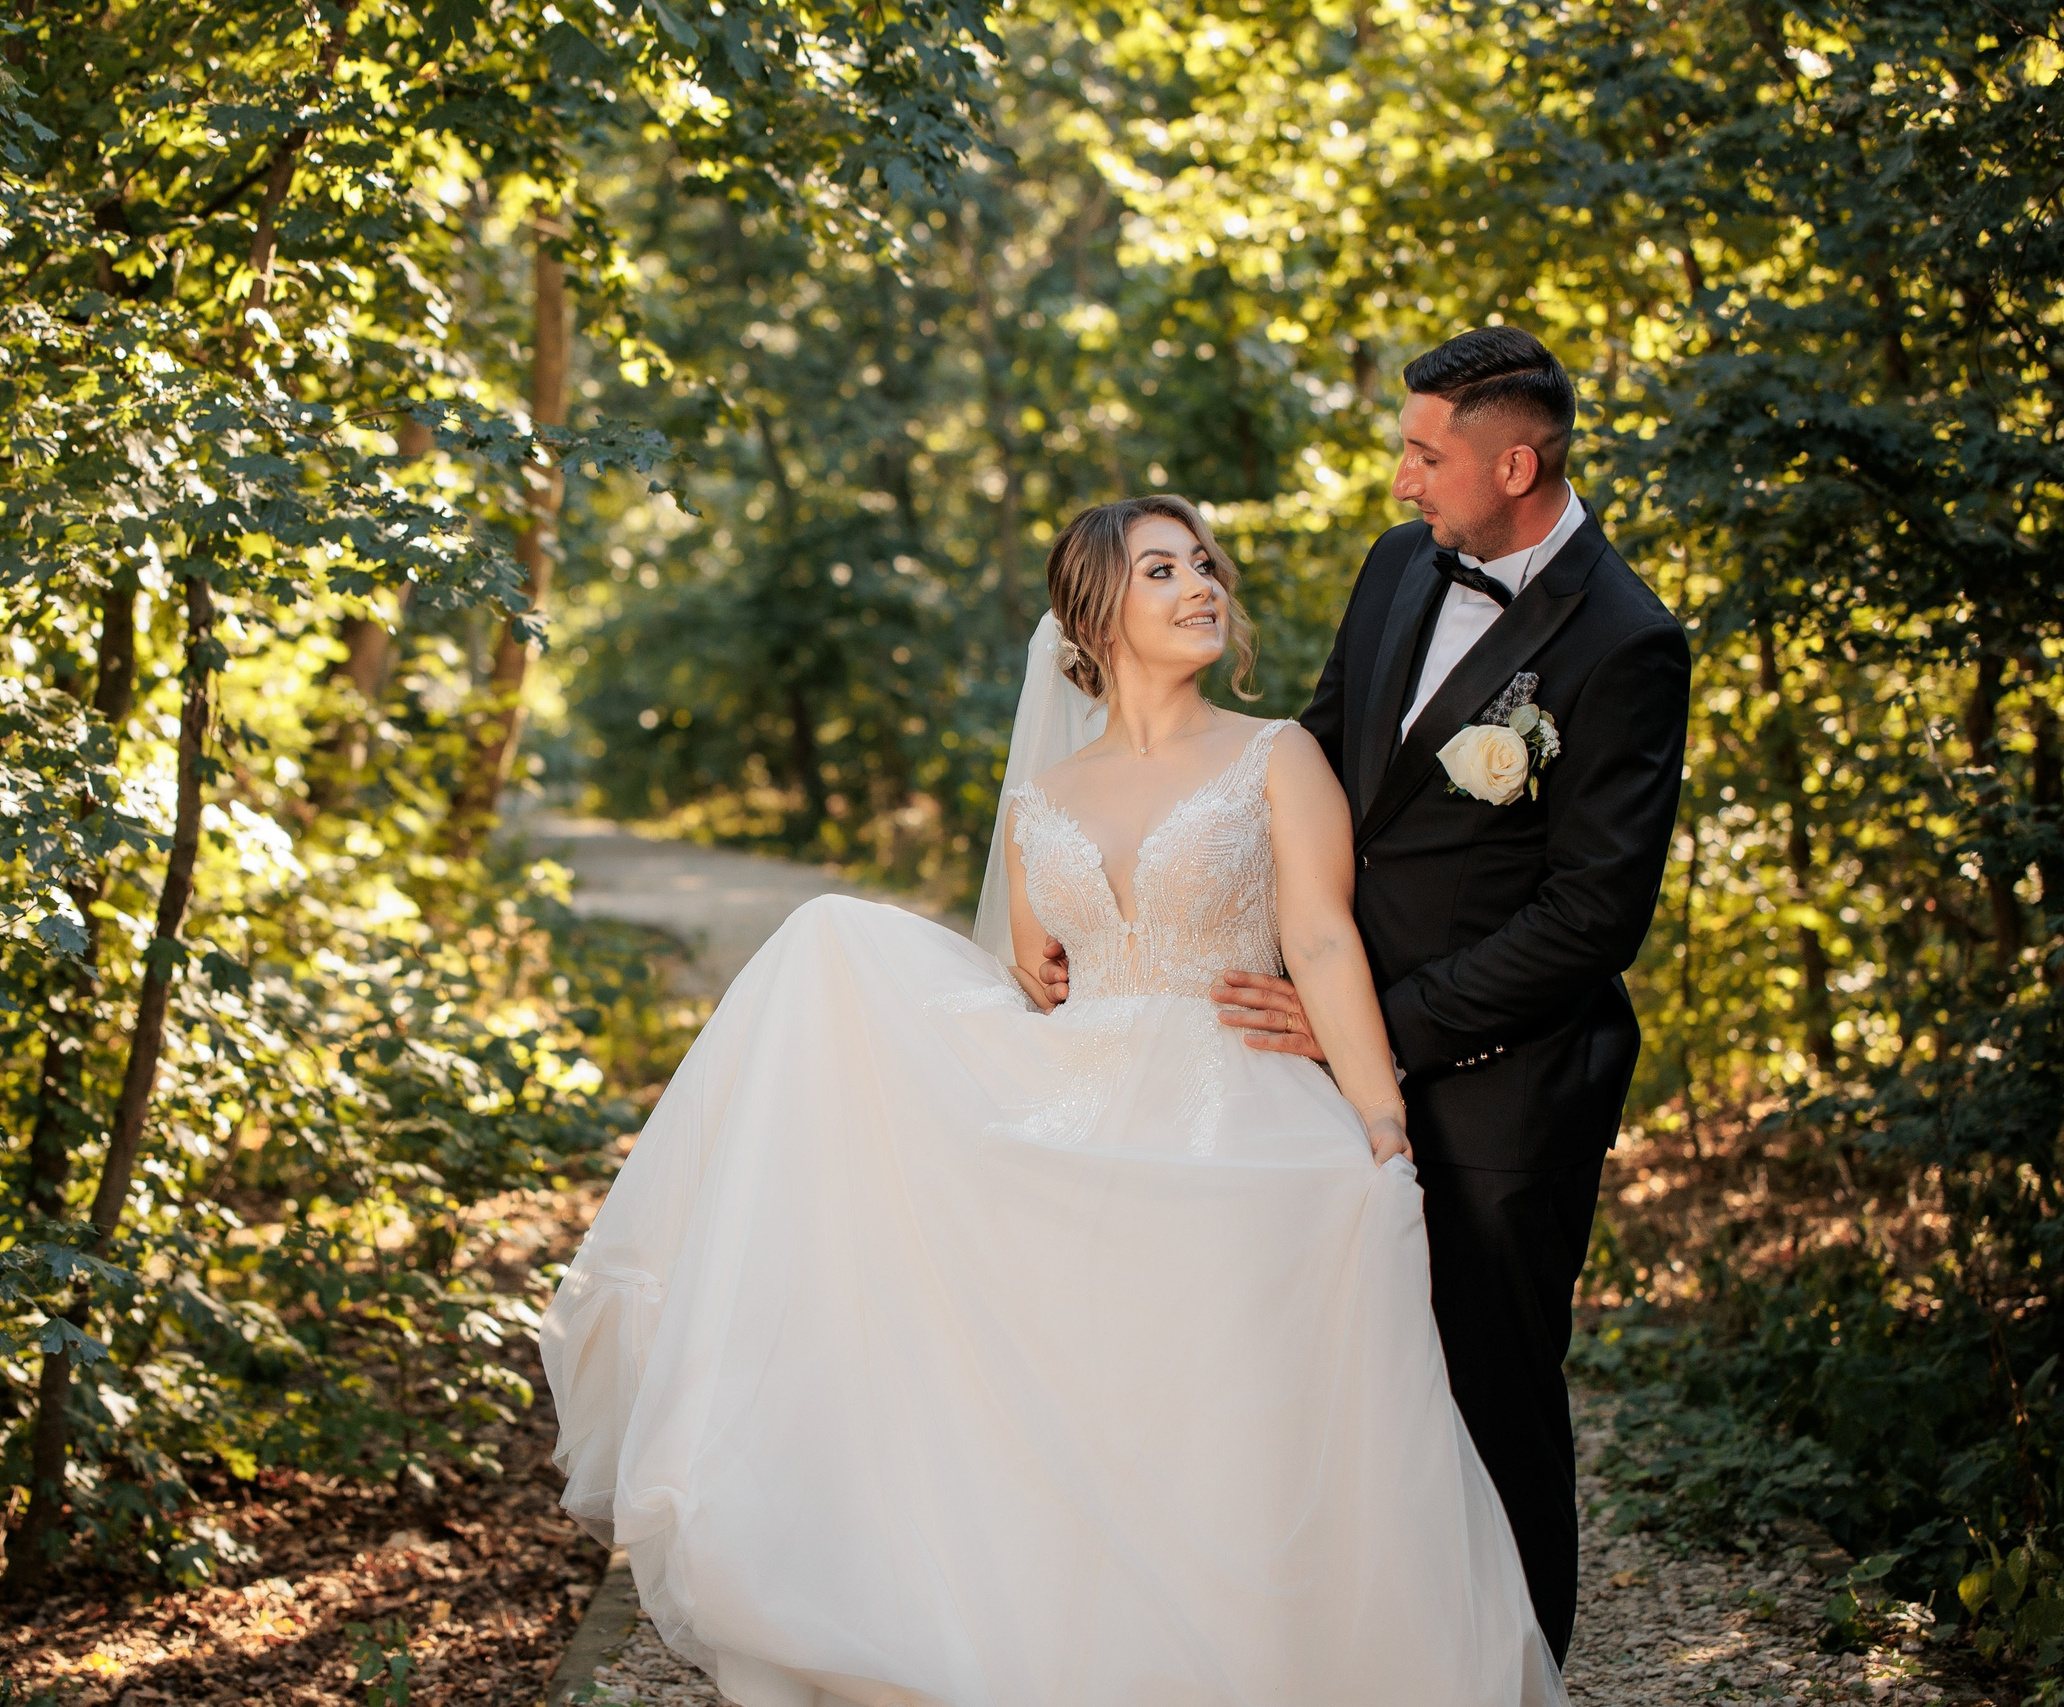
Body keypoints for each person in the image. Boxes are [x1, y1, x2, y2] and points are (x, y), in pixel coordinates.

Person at [542, 494, 1563, 1707]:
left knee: (1230, 1428)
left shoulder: (1274, 753)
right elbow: (1039, 984)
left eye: (1204, 567)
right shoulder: (1042, 801)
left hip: (1235, 1108)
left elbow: (1324, 942)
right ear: (1095, 613)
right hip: (1081, 1121)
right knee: (1077, 1420)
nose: (1201, 588)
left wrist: (1380, 1128)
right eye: (1162, 570)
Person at [1045, 327, 1692, 1661]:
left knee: (1487, 1402)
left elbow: (1592, 915)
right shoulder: (1402, 565)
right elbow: (1317, 758)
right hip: (1306, 1060)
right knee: (1335, 1400)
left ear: (1514, 461)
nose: (1402, 480)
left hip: (1503, 1086)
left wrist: (1377, 1034)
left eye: (1425, 452)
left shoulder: (1626, 642)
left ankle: (1512, 1675)